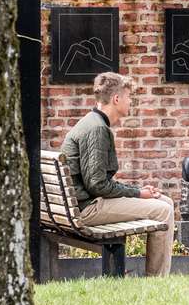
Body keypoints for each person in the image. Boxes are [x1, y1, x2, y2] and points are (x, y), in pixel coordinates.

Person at [59, 72, 176, 276]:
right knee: (163, 211)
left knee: (166, 202)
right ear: (116, 99)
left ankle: (157, 276)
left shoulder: (93, 122)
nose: (131, 101)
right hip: (87, 209)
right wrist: (139, 194)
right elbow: (97, 185)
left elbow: (97, 181)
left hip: (80, 204)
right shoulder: (96, 129)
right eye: (129, 96)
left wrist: (137, 190)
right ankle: (157, 281)